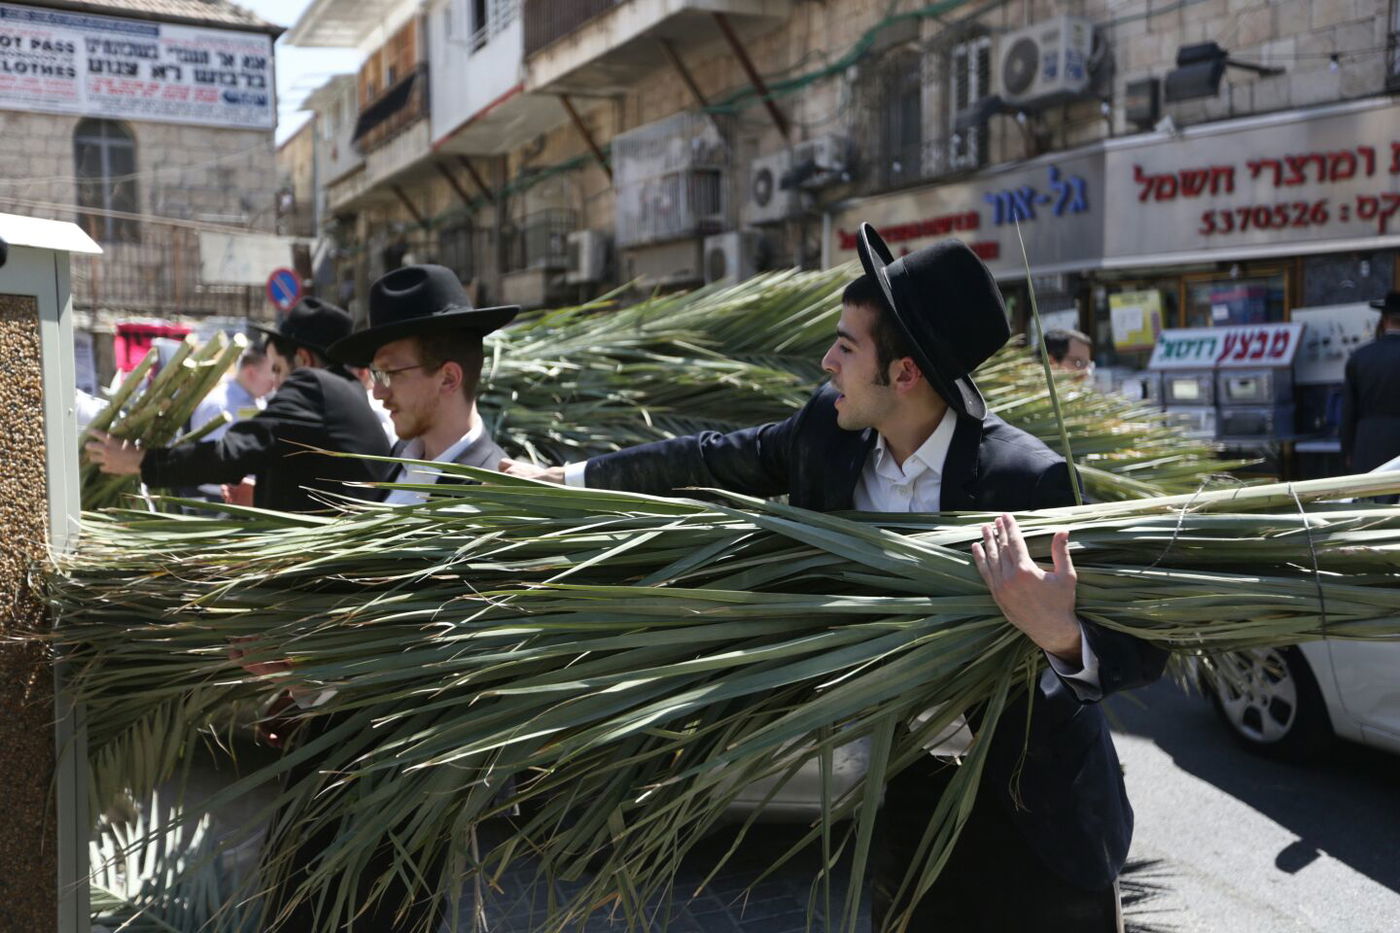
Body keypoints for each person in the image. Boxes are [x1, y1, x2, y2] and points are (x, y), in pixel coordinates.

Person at [502, 224, 1166, 930]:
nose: (826, 361)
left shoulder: (1025, 479)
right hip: (908, 792)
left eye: (846, 347)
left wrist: (1059, 633)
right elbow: (713, 458)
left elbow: (1141, 644)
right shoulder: (832, 433)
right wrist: (563, 477)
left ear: (904, 373)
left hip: (1037, 817)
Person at [85, 298, 391, 513]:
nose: (274, 383)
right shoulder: (346, 394)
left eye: (277, 370)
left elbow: (231, 452)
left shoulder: (313, 385)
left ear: (304, 360)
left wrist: (140, 462)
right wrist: (262, 497)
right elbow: (324, 486)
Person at [327, 263, 519, 505]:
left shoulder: (493, 495)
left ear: (448, 379)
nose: (377, 392)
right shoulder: (401, 456)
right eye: (376, 373)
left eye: (390, 372)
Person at [1341, 291, 1400, 481]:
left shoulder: (1360, 357)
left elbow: (1348, 412)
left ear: (1384, 320)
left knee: (1370, 504)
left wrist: (1348, 450)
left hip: (1368, 443)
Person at [189, 344, 275, 441]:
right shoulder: (218, 406)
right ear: (250, 373)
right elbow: (211, 452)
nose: (274, 385)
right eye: (271, 381)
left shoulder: (260, 402)